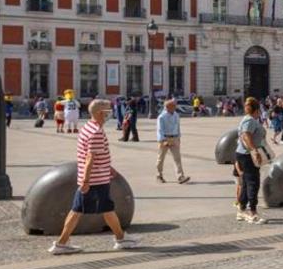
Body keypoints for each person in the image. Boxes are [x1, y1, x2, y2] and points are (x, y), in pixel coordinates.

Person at [48, 99, 140, 255]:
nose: (110, 113)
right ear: (100, 113)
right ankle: (62, 243)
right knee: (82, 210)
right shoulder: (96, 132)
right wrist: (86, 180)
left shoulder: (87, 127)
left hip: (94, 177)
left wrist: (107, 168)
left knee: (100, 209)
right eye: (108, 111)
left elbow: (92, 154)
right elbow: (90, 157)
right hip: (95, 180)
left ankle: (120, 238)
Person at [235, 97, 273, 224]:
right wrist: (254, 150)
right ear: (257, 110)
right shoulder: (250, 120)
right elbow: (246, 135)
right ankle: (253, 213)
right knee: (253, 183)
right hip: (248, 155)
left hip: (244, 154)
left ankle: (241, 210)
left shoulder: (247, 119)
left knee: (246, 183)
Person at [155, 98, 190, 184]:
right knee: (161, 158)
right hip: (165, 138)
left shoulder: (176, 115)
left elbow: (178, 127)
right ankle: (159, 175)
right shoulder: (162, 117)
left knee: (177, 158)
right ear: (168, 107)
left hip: (174, 138)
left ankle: (180, 176)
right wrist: (163, 140)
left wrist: (179, 137)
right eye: (173, 106)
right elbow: (160, 130)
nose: (175, 107)